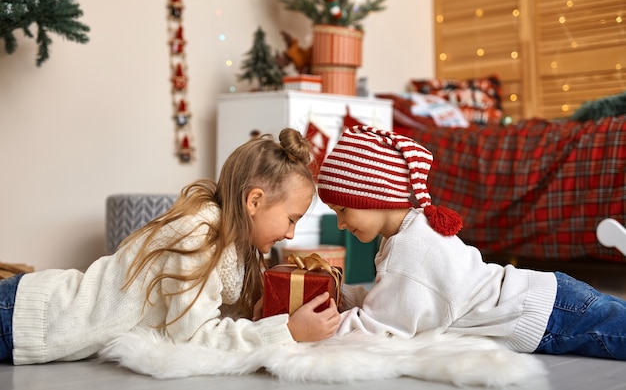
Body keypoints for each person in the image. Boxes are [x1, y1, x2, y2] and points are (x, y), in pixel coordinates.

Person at [0, 128, 340, 365]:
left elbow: (206, 313)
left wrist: (259, 313)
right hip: (26, 317)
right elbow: (191, 337)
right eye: (291, 219)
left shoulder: (232, 246)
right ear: (254, 201)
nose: (291, 235)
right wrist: (285, 333)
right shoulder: (196, 234)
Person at [316, 124, 626, 360]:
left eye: (344, 210)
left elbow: (381, 329)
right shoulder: (412, 231)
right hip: (547, 297)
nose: (342, 224)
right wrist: (340, 294)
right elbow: (394, 302)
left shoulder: (408, 250)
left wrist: (315, 330)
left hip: (546, 316)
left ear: (375, 196)